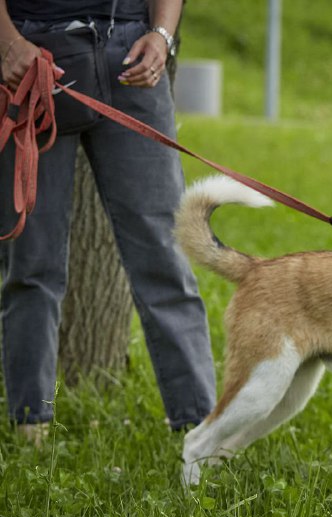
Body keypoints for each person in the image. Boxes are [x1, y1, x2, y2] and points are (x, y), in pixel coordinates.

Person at [0, 0, 216, 438]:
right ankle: (30, 430)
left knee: (166, 255)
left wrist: (163, 35)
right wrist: (8, 45)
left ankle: (201, 431)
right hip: (33, 57)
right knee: (32, 265)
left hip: (132, 53)